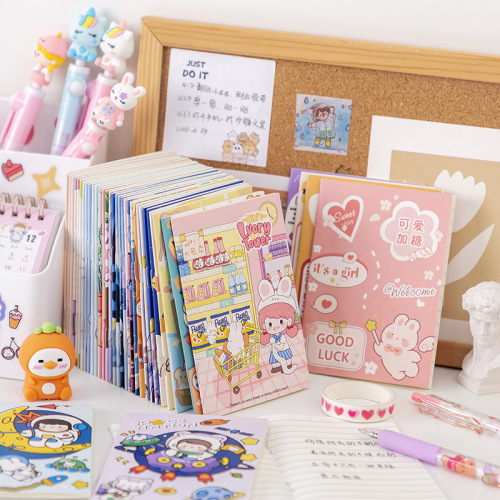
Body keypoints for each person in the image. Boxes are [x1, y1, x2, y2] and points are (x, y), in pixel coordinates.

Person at [458, 281, 500, 394]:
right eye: (477, 321)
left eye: (491, 324)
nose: (482, 331)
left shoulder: (496, 367)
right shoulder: (469, 361)